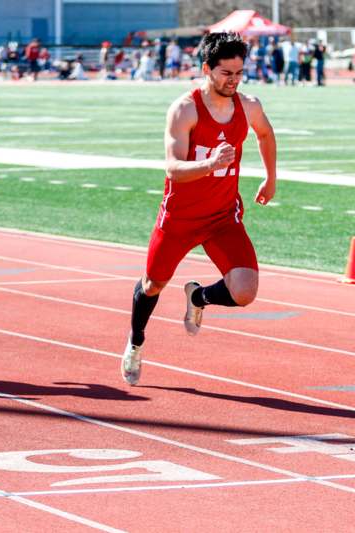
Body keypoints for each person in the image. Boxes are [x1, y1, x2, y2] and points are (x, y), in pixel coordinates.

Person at [121, 32, 277, 385]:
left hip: (222, 216)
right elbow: (172, 168)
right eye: (226, 73)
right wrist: (209, 165)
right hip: (180, 217)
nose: (234, 80)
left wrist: (270, 178)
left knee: (245, 291)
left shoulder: (248, 105)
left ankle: (199, 296)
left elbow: (266, 134)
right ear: (206, 68)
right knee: (152, 284)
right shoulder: (185, 109)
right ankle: (136, 341)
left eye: (239, 73)